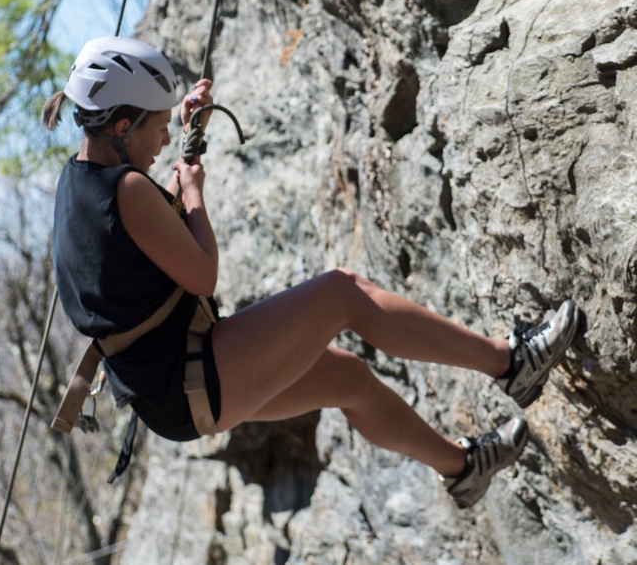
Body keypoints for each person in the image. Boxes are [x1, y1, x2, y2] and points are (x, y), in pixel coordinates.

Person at [42, 36, 580, 508]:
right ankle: (511, 363)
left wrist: (181, 129)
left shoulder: (80, 180)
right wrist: (195, 194)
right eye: (156, 129)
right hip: (188, 378)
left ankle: (463, 470)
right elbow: (203, 275)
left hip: (172, 389)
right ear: (119, 125)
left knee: (346, 376)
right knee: (343, 293)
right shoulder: (129, 188)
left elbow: (141, 249)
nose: (163, 142)